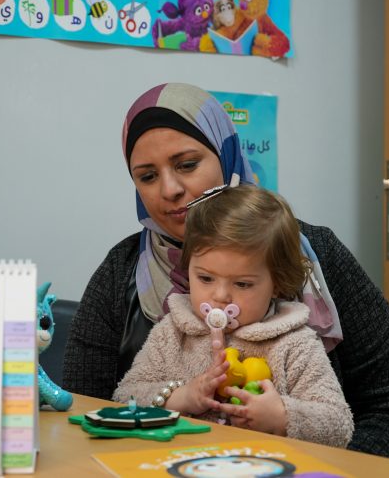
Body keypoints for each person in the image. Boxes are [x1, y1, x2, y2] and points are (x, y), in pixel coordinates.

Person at [62, 82, 389, 458]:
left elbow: (387, 408)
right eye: (147, 176)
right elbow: (90, 405)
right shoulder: (122, 270)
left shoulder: (318, 255)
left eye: (187, 164)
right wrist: (175, 399)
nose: (170, 189)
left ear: (225, 153)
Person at [114, 184, 353, 447]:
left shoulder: (296, 343)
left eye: (242, 284)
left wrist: (281, 416)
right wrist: (182, 397)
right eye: (205, 278)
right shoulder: (173, 332)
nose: (220, 296)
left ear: (278, 283)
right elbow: (124, 397)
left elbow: (338, 423)